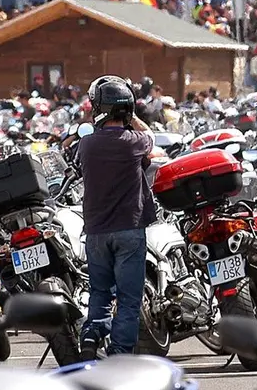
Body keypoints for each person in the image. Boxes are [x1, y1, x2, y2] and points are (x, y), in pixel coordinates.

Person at [78, 75, 157, 359]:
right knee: (128, 300)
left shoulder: (87, 145)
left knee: (99, 292)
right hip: (129, 231)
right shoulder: (134, 141)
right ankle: (119, 353)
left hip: (97, 232)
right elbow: (151, 136)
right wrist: (132, 116)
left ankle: (90, 336)